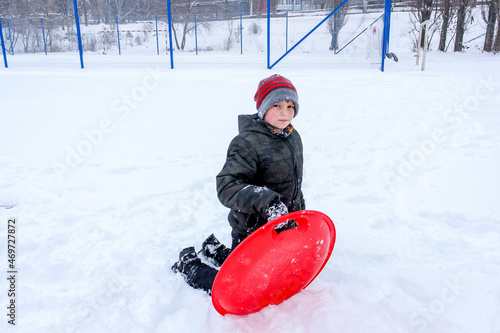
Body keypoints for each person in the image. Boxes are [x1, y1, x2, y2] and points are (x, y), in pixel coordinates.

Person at [171, 74, 305, 294]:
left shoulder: (292, 137)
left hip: (282, 227)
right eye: (277, 105)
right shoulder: (246, 143)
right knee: (240, 289)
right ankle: (190, 266)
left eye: (290, 106)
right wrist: (268, 201)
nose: (285, 112)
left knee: (275, 275)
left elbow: (294, 184)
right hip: (252, 230)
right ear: (263, 108)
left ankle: (215, 251)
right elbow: (227, 185)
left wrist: (298, 213)